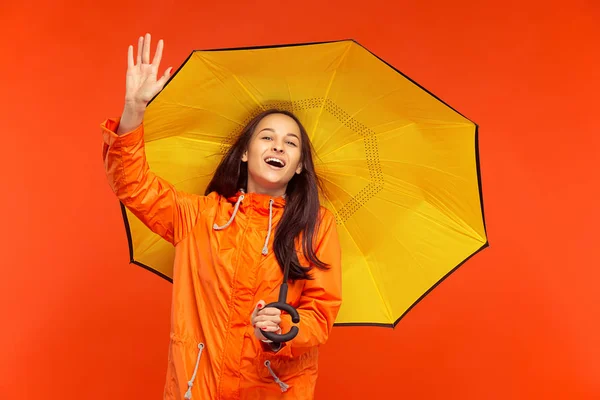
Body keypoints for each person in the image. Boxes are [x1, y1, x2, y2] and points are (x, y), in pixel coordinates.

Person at [101, 33, 342, 400]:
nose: (278, 146)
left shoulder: (316, 226)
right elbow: (133, 185)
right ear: (245, 153)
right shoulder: (198, 217)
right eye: (267, 137)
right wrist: (134, 111)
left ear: (298, 167)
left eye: (291, 143)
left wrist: (282, 328)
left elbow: (320, 313)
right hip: (197, 390)